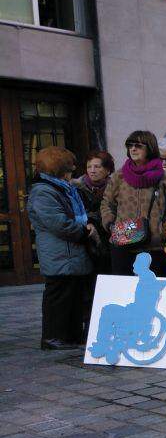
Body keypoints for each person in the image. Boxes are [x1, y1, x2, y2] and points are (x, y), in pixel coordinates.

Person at [28, 147, 97, 350]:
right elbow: (58, 223)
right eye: (69, 167)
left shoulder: (61, 188)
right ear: (59, 169)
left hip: (69, 253)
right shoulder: (43, 192)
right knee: (58, 297)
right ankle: (53, 337)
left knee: (73, 297)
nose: (73, 171)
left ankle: (70, 335)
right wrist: (84, 232)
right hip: (60, 253)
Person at [100, 130, 166, 277]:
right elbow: (107, 204)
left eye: (138, 146)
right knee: (124, 294)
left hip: (155, 248)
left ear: (150, 148)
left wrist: (164, 230)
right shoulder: (119, 177)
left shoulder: (164, 178)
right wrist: (111, 226)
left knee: (155, 294)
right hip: (123, 245)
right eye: (130, 145)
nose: (133, 149)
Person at [74, 150, 115, 274]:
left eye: (97, 166)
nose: (92, 170)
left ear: (107, 170)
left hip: (110, 236)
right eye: (89, 167)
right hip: (86, 237)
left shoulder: (116, 187)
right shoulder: (76, 188)